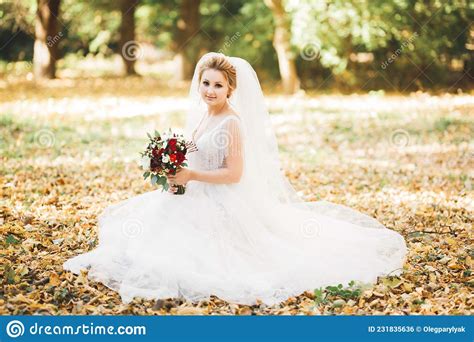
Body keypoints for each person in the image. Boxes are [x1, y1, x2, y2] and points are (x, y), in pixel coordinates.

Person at [63, 52, 407, 306]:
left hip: (221, 201)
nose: (210, 91)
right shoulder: (201, 117)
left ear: (230, 89)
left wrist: (193, 174)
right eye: (206, 83)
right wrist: (172, 172)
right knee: (142, 241)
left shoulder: (232, 123)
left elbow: (234, 173)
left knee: (211, 259)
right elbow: (192, 155)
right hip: (190, 194)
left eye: (218, 86)